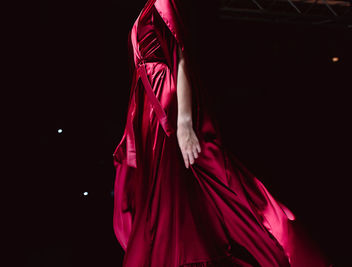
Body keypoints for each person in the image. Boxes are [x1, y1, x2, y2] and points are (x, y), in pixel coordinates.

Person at [112, 0, 331, 266]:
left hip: (166, 106)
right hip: (147, 107)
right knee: (167, 194)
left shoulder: (163, 2)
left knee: (190, 186)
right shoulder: (144, 10)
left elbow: (181, 59)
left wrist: (184, 123)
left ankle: (281, 248)